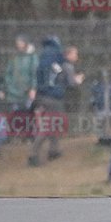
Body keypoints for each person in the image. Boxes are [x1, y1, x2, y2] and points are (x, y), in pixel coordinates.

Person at [29, 36, 68, 166]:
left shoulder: (41, 60)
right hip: (53, 97)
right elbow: (60, 76)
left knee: (52, 123)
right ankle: (33, 154)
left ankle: (54, 149)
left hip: (42, 96)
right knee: (49, 126)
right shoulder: (55, 59)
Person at [4, 35, 38, 113]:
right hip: (13, 95)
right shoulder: (13, 57)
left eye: (21, 43)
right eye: (18, 43)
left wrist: (33, 88)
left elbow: (34, 74)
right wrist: (9, 87)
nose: (19, 45)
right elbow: (8, 73)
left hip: (26, 94)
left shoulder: (32, 57)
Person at [62, 46, 86, 115]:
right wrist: (78, 80)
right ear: (68, 55)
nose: (76, 56)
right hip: (70, 98)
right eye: (75, 54)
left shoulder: (70, 66)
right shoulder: (67, 66)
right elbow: (71, 83)